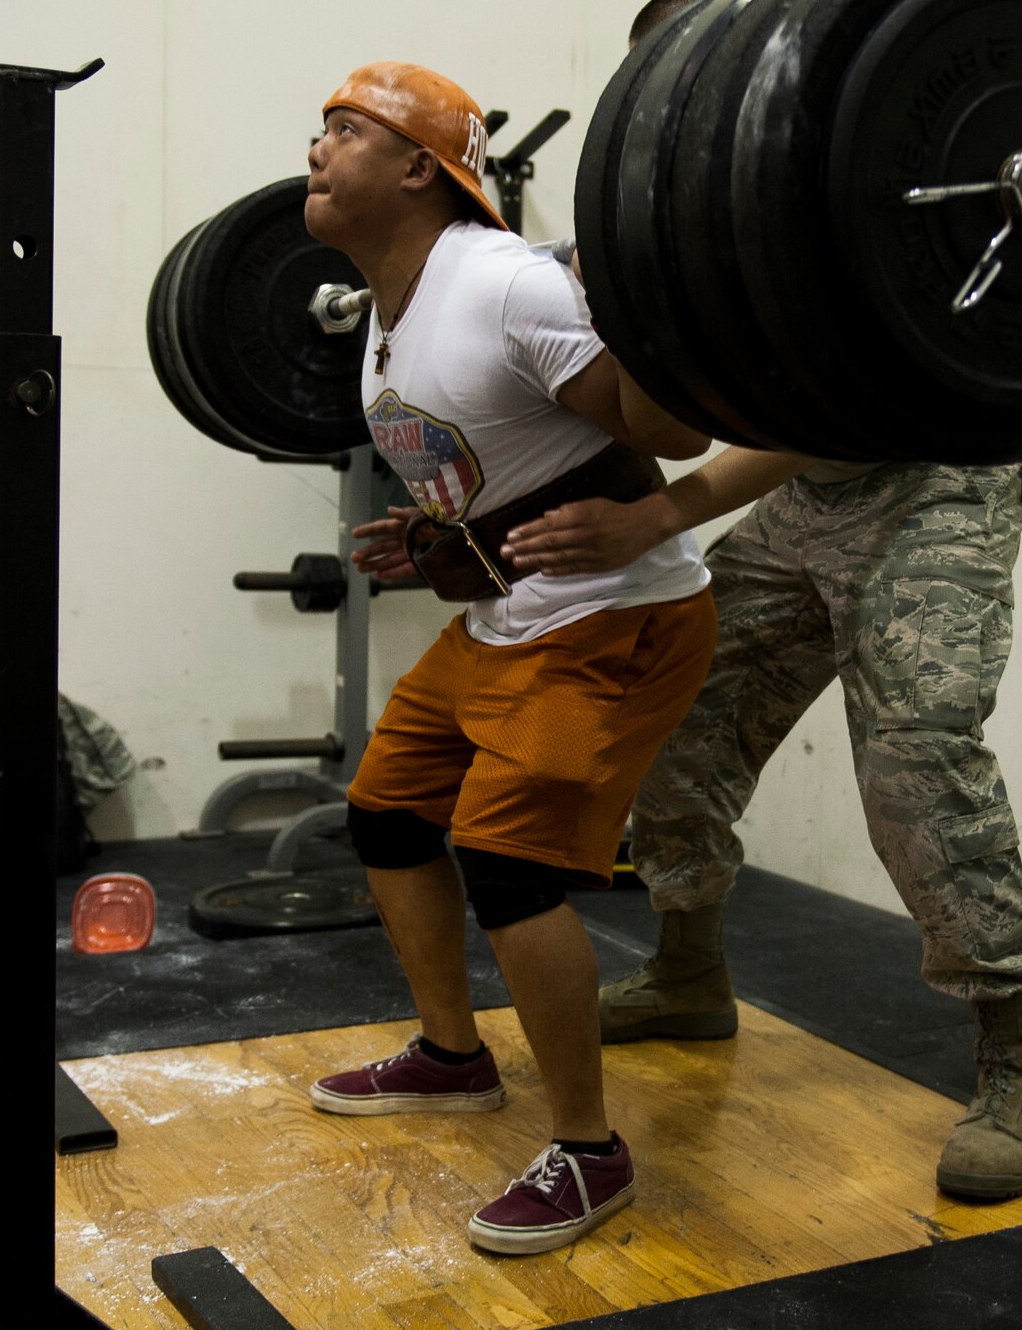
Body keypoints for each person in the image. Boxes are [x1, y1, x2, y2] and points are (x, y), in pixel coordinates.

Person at [499, 0, 1022, 1204]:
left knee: (916, 749)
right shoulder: (679, 209)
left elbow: (818, 400)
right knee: (681, 711)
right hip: (810, 487)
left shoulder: (843, 176)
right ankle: (691, 974)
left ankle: (1011, 1054)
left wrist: (661, 509)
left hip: (933, 480)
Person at [303, 61, 718, 1254]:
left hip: (615, 615)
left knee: (503, 854)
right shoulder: (390, 314)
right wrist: (434, 531)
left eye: (344, 130)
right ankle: (449, 1052)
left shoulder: (498, 284)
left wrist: (640, 299)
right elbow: (503, 460)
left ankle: (589, 1149)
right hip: (509, 607)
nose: (315, 150)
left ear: (419, 168)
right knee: (385, 810)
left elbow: (670, 429)